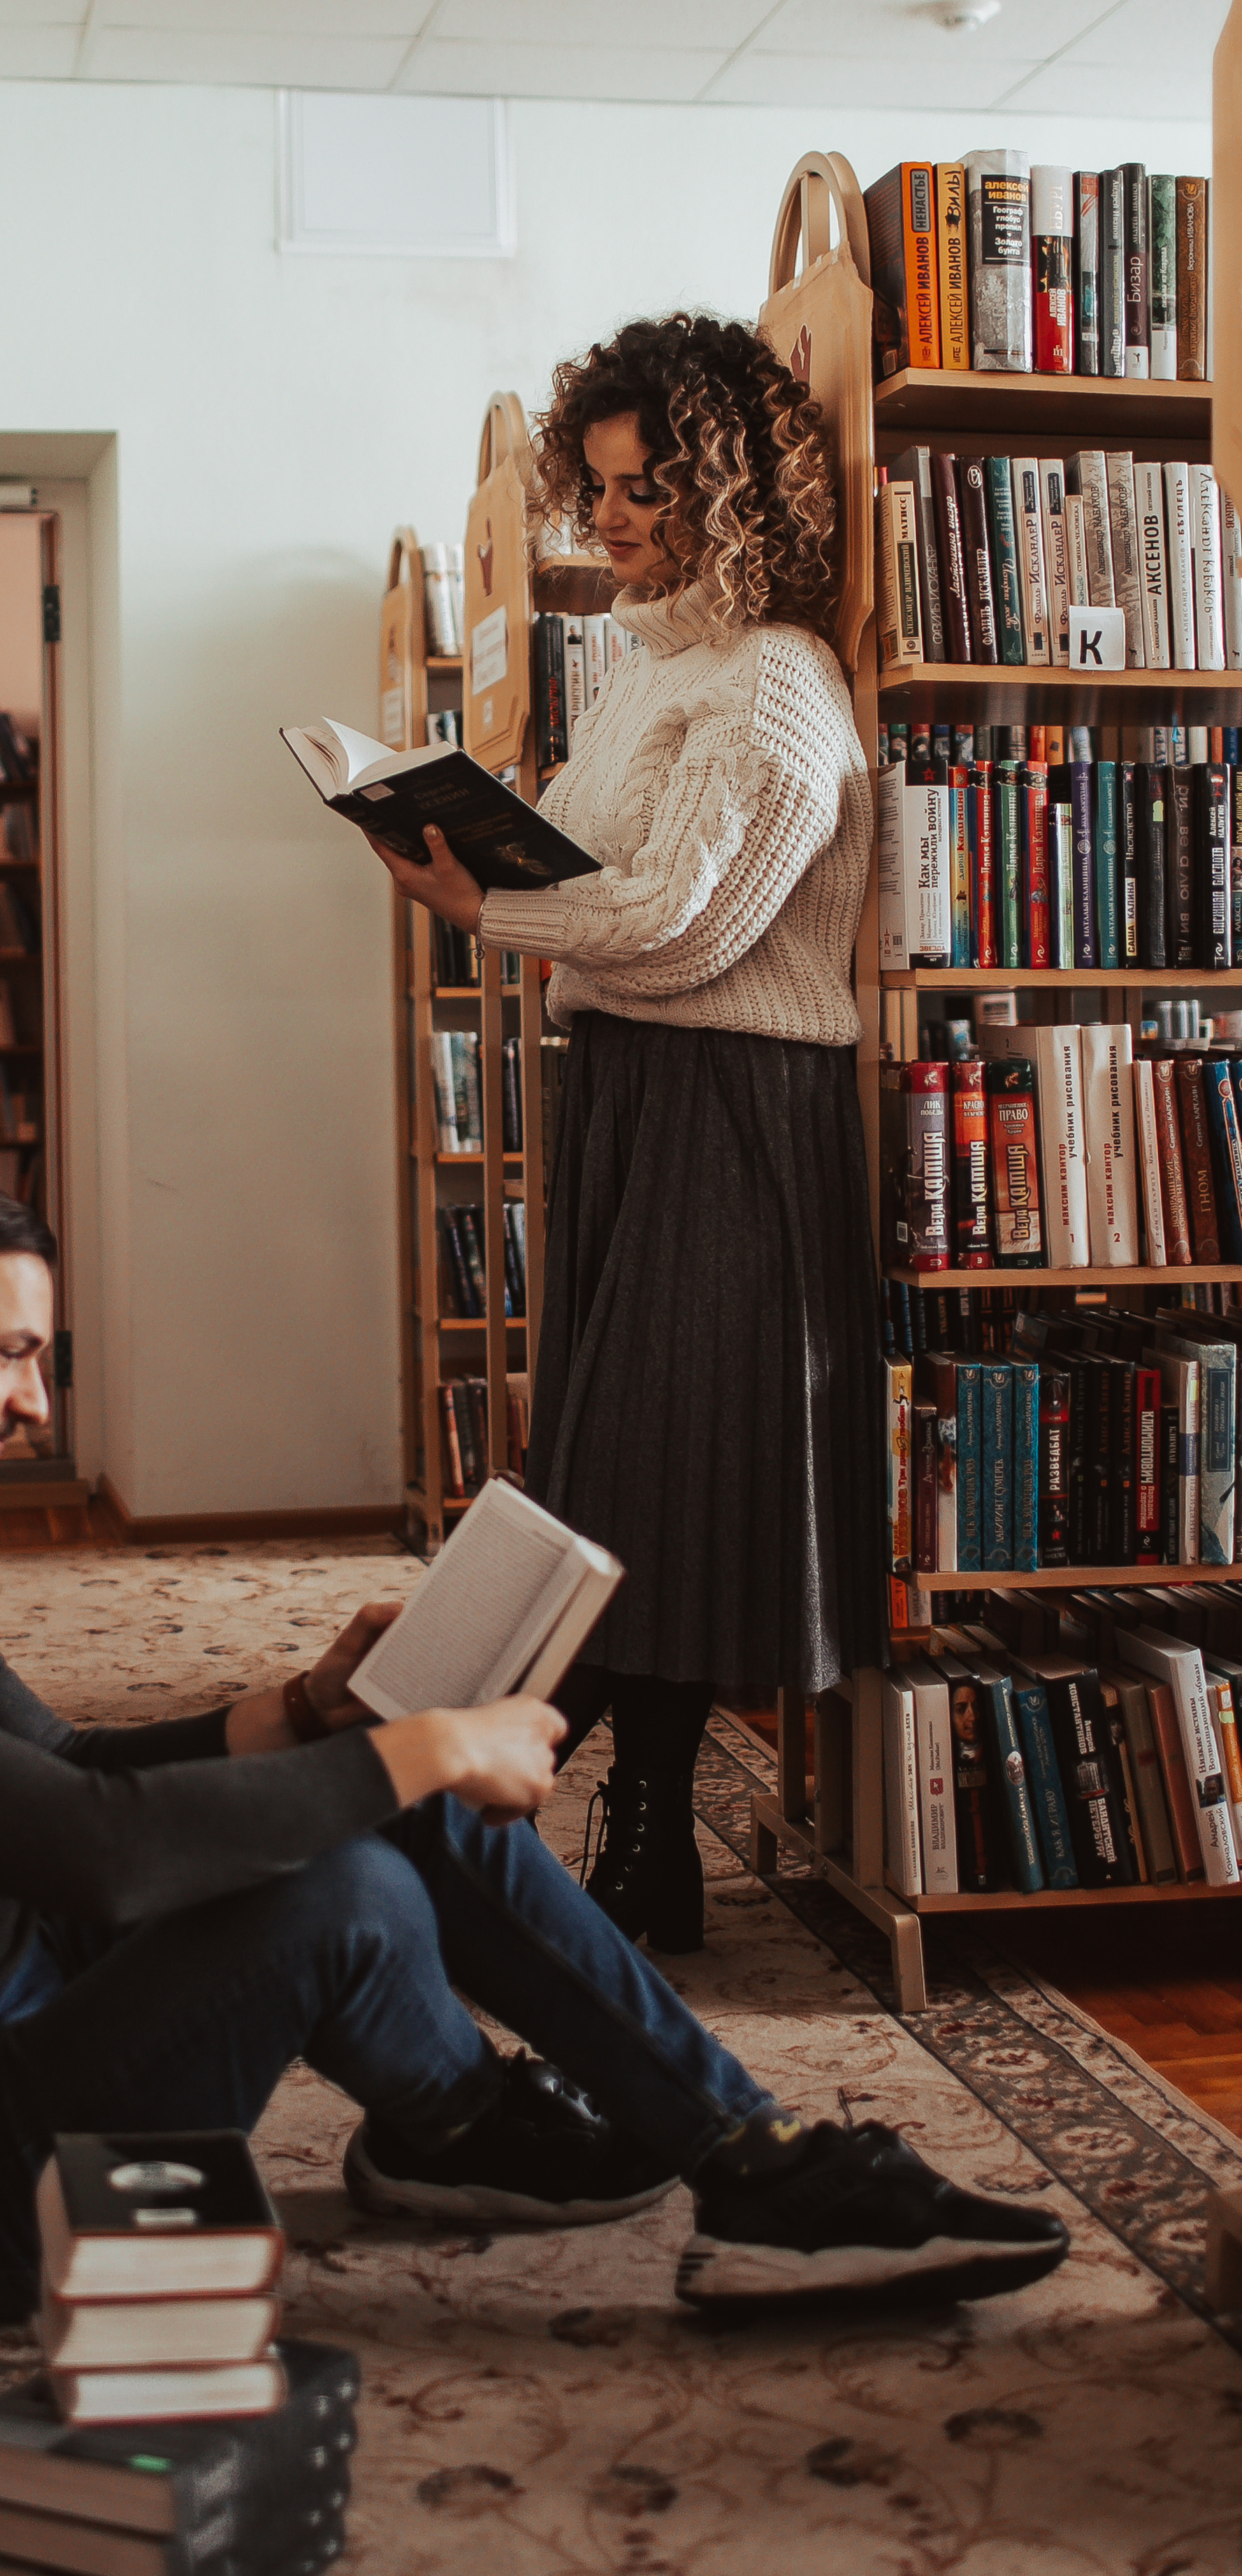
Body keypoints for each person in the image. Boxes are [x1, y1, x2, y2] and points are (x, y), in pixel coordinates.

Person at [0, 1158, 1066, 2327]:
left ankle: (712, 2156)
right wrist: (426, 1750)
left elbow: (65, 1773)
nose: (35, 1402)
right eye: (12, 1353)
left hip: (12, 2004)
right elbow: (95, 1852)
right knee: (351, 1865)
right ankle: (490, 2127)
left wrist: (306, 1710)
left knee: (374, 1789)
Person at [375, 312, 885, 1958]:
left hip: (731, 1102)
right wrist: (477, 855)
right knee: (608, 1474)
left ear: (727, 492)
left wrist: (484, 904)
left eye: (644, 490)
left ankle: (438, 1798)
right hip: (628, 1093)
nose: (611, 520)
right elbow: (600, 888)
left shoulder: (779, 681)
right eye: (594, 490)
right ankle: (600, 1831)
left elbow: (681, 923)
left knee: (653, 1475)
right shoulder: (644, 668)